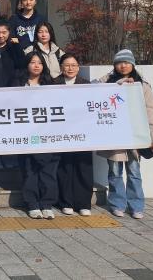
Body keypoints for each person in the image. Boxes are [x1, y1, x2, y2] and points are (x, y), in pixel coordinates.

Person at [95, 49, 153, 219]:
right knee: (115, 172)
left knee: (134, 172)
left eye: (126, 62)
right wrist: (116, 83)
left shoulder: (142, 85)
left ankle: (136, 206)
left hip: (136, 136)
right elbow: (93, 89)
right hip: (114, 136)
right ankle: (117, 204)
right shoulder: (108, 82)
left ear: (133, 64)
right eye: (119, 62)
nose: (123, 65)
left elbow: (151, 111)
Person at [15, 51, 58, 219]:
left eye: (39, 63)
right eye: (33, 62)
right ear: (27, 65)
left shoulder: (51, 84)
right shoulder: (18, 83)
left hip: (48, 133)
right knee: (29, 170)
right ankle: (32, 203)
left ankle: (47, 204)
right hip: (25, 134)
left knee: (48, 170)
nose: (36, 65)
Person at [53, 54, 93, 216]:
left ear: (78, 67)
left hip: (82, 132)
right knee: (65, 167)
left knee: (84, 167)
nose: (70, 68)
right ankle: (66, 202)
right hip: (61, 132)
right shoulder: (52, 84)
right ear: (61, 67)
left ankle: (83, 204)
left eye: (74, 65)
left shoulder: (86, 84)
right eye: (67, 65)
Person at [0, 20, 24, 88]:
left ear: (9, 32)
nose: (1, 36)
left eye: (4, 32)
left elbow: (21, 65)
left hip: (11, 87)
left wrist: (17, 46)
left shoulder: (14, 47)